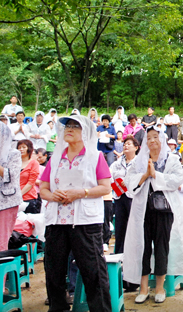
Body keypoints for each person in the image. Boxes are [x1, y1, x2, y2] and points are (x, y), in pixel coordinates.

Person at [39, 115, 112, 312]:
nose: (69, 129)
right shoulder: (55, 158)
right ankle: (58, 308)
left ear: (85, 132)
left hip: (85, 222)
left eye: (75, 126)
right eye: (67, 126)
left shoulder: (95, 156)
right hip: (56, 221)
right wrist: (54, 196)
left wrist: (82, 193)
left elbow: (106, 188)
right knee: (53, 270)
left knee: (93, 271)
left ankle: (101, 309)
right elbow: (43, 189)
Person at [123, 126, 183, 303]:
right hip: (143, 211)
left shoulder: (171, 159)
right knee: (143, 247)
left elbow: (176, 180)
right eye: (149, 138)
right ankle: (143, 288)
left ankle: (160, 287)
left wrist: (156, 176)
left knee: (162, 247)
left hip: (164, 211)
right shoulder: (140, 161)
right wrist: (145, 175)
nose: (152, 140)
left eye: (156, 137)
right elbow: (129, 182)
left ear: (161, 139)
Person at [110, 136, 139, 256]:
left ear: (136, 148)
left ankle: (133, 253)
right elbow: (109, 175)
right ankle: (119, 252)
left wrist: (128, 181)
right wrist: (117, 186)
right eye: (124, 144)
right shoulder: (117, 163)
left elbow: (142, 178)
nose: (125, 146)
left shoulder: (139, 163)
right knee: (120, 225)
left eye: (129, 144)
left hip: (133, 197)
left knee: (133, 225)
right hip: (119, 196)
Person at [0, 122, 23, 250]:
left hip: (7, 201)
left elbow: (11, 175)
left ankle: (1, 267)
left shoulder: (14, 153)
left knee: (1, 237)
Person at [17, 139, 41, 214]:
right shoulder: (14, 163)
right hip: (14, 198)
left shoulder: (34, 163)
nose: (21, 149)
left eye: (24, 147)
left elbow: (31, 182)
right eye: (19, 147)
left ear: (29, 149)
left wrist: (19, 194)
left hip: (28, 198)